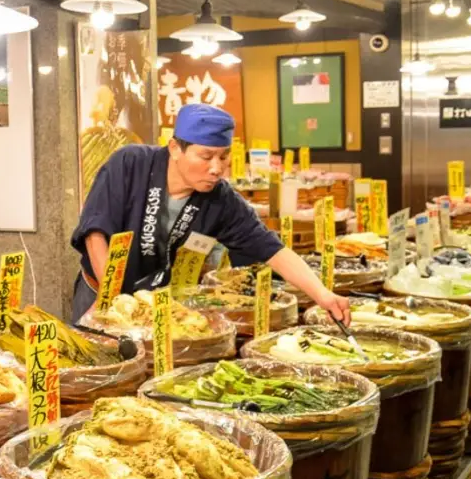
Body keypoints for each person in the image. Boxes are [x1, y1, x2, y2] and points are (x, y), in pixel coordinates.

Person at [70, 104, 351, 324]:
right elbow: (96, 231)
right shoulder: (131, 163)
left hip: (154, 299)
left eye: (224, 156)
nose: (216, 168)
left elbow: (272, 249)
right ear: (175, 149)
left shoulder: (221, 198)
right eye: (206, 157)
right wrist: (112, 297)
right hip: (100, 290)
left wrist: (323, 295)